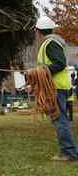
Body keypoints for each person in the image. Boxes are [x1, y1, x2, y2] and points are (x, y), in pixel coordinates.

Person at [33, 16, 78, 161]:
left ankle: (69, 153)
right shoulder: (54, 42)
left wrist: (40, 71)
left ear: (38, 31)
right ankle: (68, 151)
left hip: (56, 87)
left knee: (60, 120)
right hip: (60, 86)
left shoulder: (50, 43)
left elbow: (60, 63)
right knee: (61, 119)